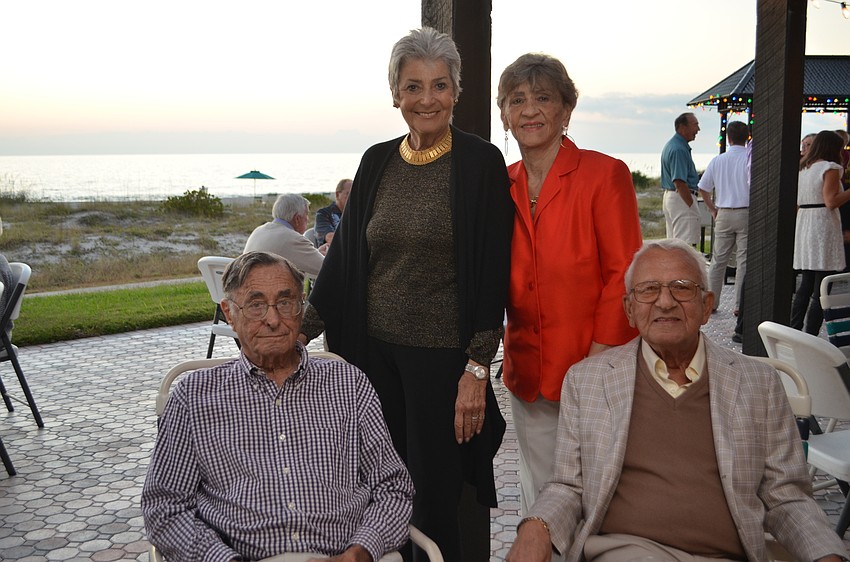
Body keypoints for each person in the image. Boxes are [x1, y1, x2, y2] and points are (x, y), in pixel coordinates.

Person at [300, 27, 513, 562]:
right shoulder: (376, 162)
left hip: (443, 363)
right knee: (380, 490)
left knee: (436, 498)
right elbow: (346, 259)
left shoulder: (479, 163)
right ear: (394, 93)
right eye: (413, 86)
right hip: (372, 355)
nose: (426, 99)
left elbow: (493, 269)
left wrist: (477, 368)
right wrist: (297, 332)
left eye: (439, 86)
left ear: (457, 92)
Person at [506, 239, 849, 562]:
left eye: (682, 287)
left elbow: (786, 496)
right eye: (649, 289)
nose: (665, 302)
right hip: (625, 552)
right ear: (629, 308)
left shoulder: (758, 383)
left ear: (707, 306)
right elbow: (567, 485)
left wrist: (826, 553)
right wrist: (538, 525)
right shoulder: (588, 380)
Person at [142, 251, 414, 562]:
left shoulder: (348, 384)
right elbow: (165, 506)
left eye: (285, 302)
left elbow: (392, 487)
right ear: (229, 313)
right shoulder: (193, 398)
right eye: (256, 305)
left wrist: (360, 552)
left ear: (302, 309)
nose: (273, 320)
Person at [495, 53, 642, 519]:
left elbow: (626, 272)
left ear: (566, 110)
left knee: (598, 493)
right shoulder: (501, 184)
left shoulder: (604, 174)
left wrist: (597, 360)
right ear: (504, 114)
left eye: (543, 98)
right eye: (517, 100)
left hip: (596, 365)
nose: (530, 110)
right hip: (527, 369)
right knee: (540, 485)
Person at [791, 130, 850, 335]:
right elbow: (831, 201)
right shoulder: (830, 168)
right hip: (822, 224)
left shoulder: (804, 169)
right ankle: (810, 334)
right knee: (820, 287)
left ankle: (795, 328)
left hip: (805, 222)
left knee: (806, 283)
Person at [698, 120, 750, 317]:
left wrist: (712, 209)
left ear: (728, 138)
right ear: (747, 137)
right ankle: (739, 304)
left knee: (719, 260)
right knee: (744, 260)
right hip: (745, 211)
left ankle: (712, 302)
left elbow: (703, 188)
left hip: (724, 212)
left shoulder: (718, 160)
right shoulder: (750, 158)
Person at [244, 193, 327, 278]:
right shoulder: (293, 239)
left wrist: (316, 253)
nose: (308, 220)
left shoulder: (259, 230)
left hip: (248, 284)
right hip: (268, 288)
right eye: (306, 214)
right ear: (297, 219)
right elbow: (327, 267)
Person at [661, 112, 701, 246]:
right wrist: (690, 204)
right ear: (683, 127)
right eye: (695, 125)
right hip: (681, 198)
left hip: (672, 197)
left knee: (674, 244)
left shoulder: (673, 145)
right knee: (685, 245)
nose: (698, 130)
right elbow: (679, 181)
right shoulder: (679, 149)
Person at [315, 178, 352, 245]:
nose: (352, 198)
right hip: (330, 253)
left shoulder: (355, 215)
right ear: (337, 195)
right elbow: (331, 238)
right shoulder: (323, 214)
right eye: (348, 194)